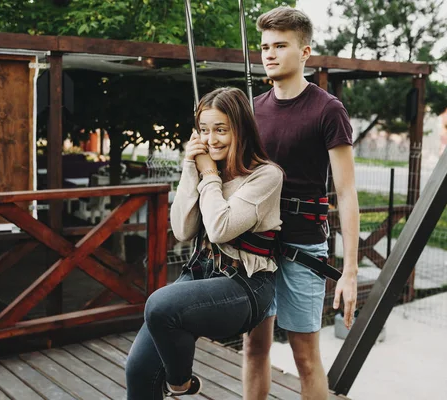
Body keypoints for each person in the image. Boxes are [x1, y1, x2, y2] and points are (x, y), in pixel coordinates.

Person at [125, 87, 283, 399]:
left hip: (245, 286)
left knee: (160, 305)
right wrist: (189, 167)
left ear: (241, 128)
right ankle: (172, 380)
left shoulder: (265, 176)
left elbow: (221, 228)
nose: (211, 140)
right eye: (204, 130)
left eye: (221, 130)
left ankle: (180, 384)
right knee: (139, 370)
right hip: (201, 272)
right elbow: (183, 230)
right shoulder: (207, 166)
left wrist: (209, 176)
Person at [242, 7, 359, 400]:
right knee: (253, 348)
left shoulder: (328, 110)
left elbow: (346, 194)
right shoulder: (252, 109)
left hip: (303, 247)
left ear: (305, 51)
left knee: (305, 356)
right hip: (257, 245)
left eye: (280, 46)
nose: (269, 54)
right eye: (264, 47)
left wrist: (350, 272)